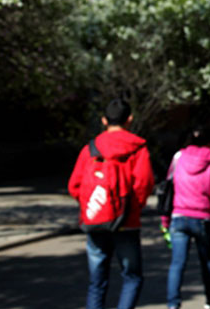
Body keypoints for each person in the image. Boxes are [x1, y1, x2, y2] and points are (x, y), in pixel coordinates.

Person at [68, 99, 155, 309]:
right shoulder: (138, 148)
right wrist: (131, 209)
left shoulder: (90, 149)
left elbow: (74, 185)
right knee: (132, 277)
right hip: (127, 222)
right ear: (130, 120)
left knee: (97, 282)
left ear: (104, 120)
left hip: (95, 219)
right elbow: (144, 184)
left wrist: (92, 206)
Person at [163, 126, 210, 309]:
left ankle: (173, 304)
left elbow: (169, 187)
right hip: (202, 217)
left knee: (177, 263)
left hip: (178, 215)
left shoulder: (178, 158)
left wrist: (165, 219)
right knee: (207, 260)